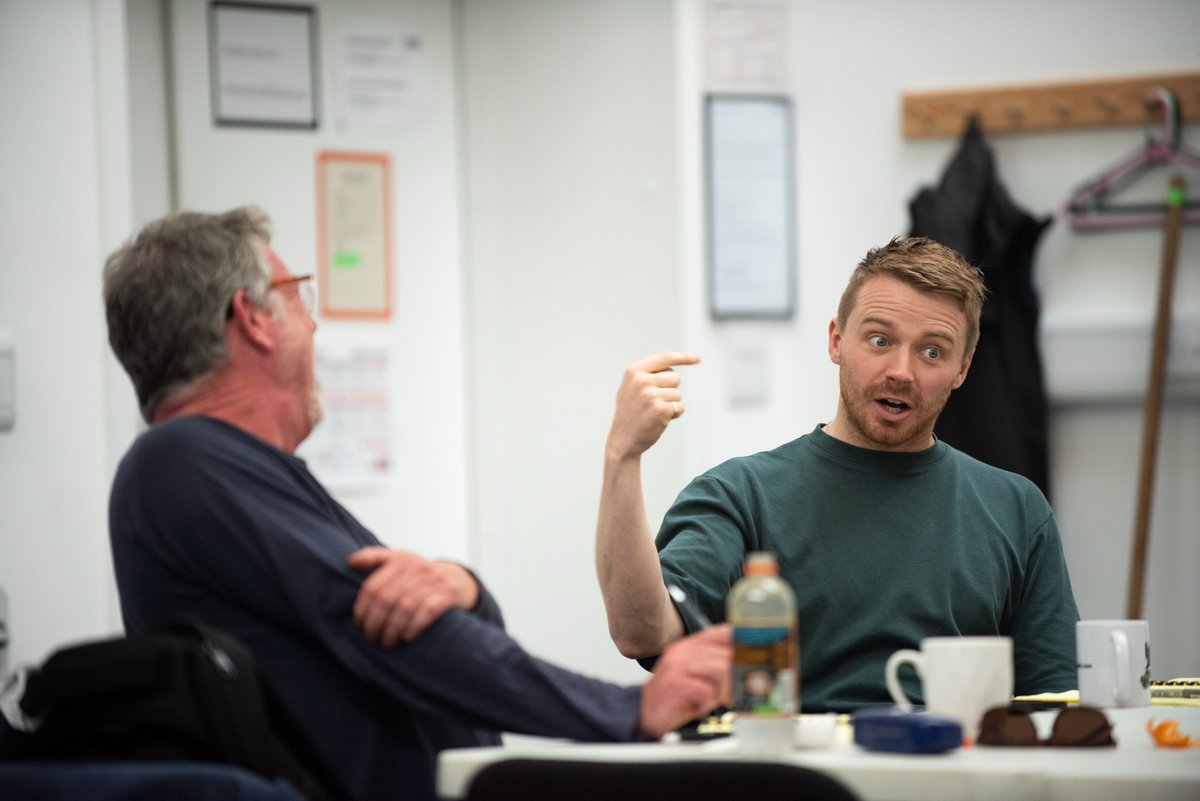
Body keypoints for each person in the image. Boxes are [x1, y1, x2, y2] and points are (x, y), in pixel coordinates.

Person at [102, 206, 732, 801]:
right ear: (254, 319)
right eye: (298, 293)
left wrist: (462, 587)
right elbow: (395, 635)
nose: (314, 322)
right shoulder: (183, 461)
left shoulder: (230, 468)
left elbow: (407, 610)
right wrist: (628, 710)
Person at [595, 236, 1079, 714]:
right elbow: (641, 631)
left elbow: (1055, 699)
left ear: (962, 369)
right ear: (836, 341)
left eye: (932, 352)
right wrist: (623, 456)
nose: (901, 371)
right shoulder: (739, 495)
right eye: (880, 340)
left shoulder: (1015, 508)